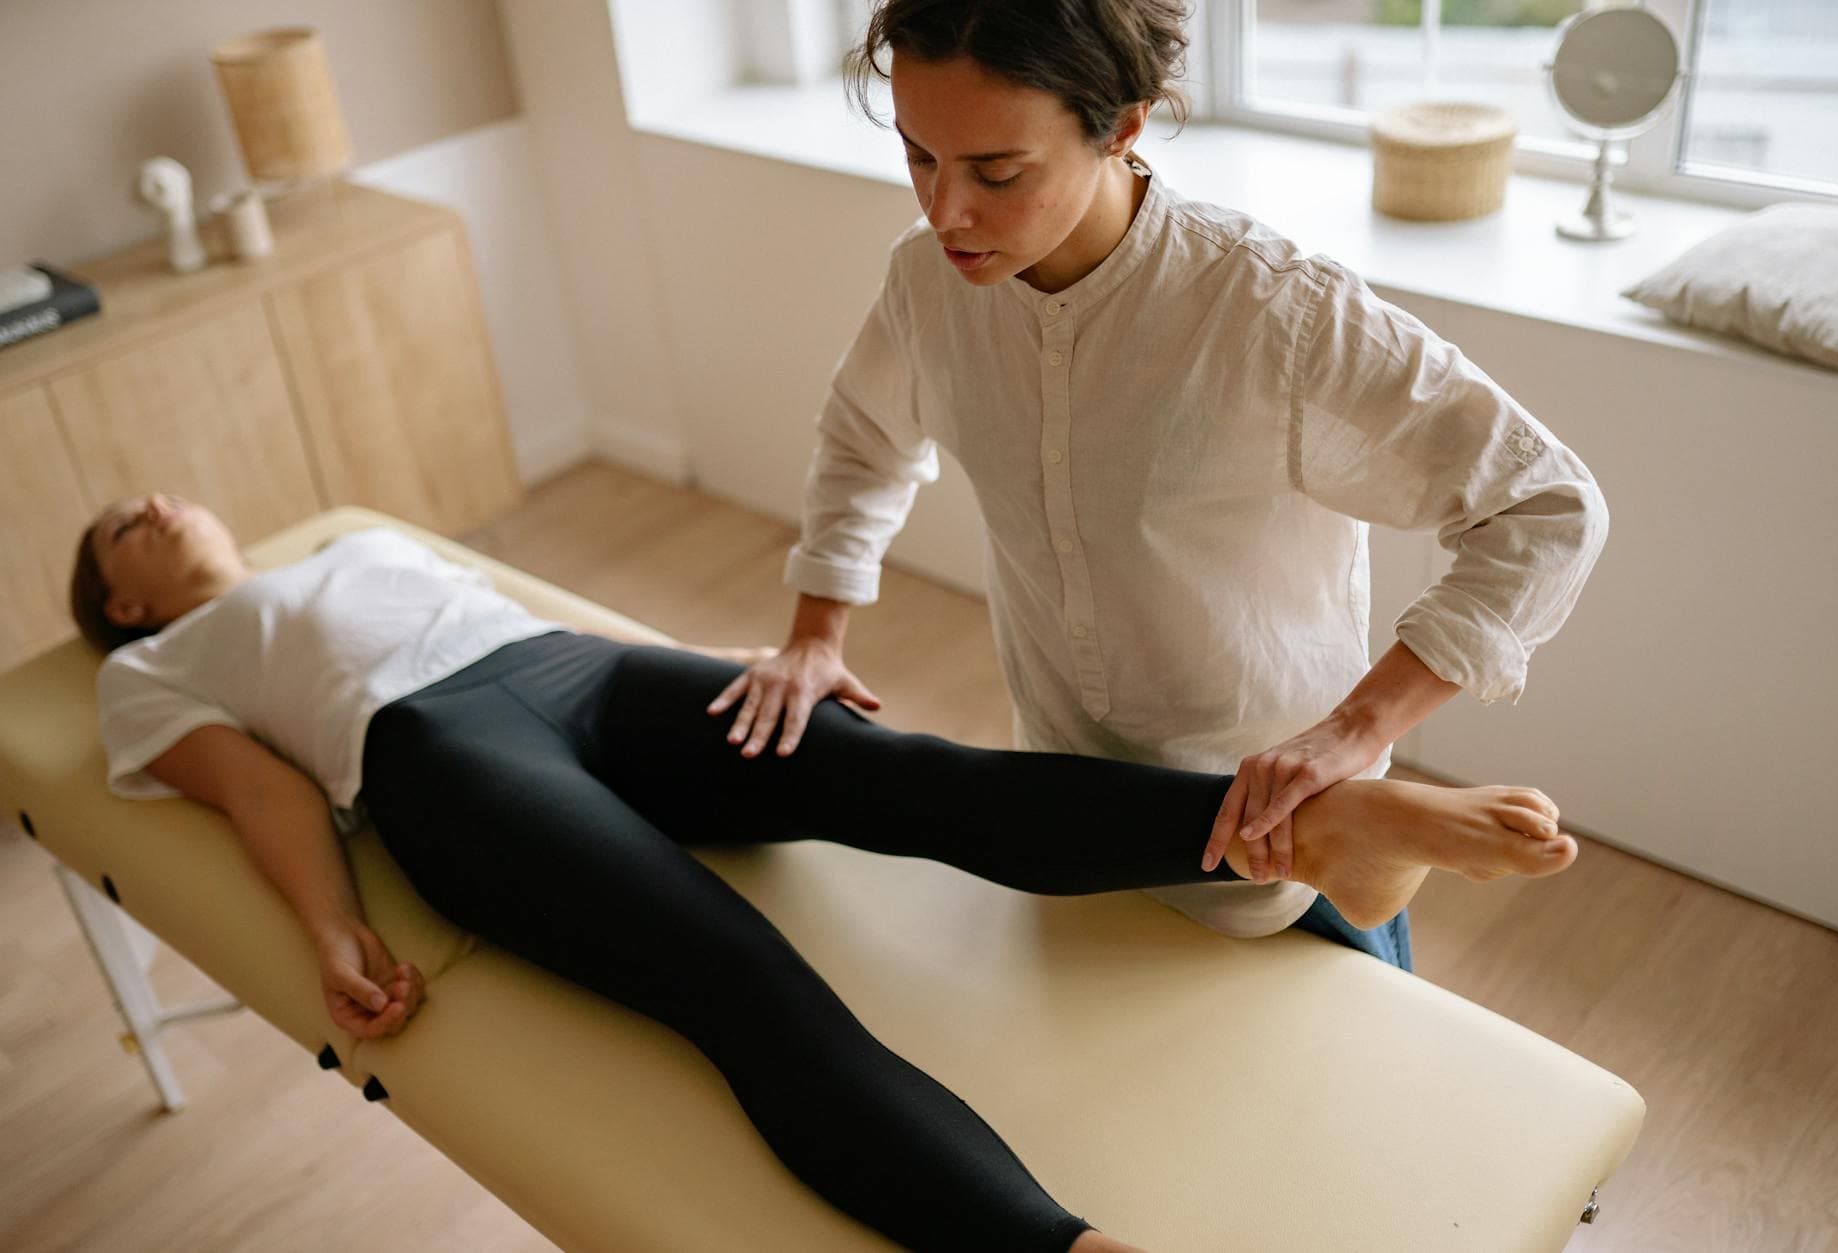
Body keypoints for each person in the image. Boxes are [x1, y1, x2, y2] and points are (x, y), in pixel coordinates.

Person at [75, 492, 1575, 1253]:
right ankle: (1064, 1252)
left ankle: (1304, 827)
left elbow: (509, 607)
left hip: (589, 674)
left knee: (916, 776)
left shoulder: (355, 538)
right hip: (443, 761)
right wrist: (330, 926)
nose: (161, 501)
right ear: (125, 602)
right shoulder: (153, 673)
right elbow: (261, 789)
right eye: (126, 525)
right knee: (734, 978)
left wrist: (755, 662)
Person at [711, 0, 1609, 967]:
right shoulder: (925, 283)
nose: (945, 212)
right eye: (919, 155)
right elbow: (863, 436)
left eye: (997, 172)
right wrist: (814, 634)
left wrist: (1356, 727)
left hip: (1286, 829)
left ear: (1123, 125)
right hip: (1066, 805)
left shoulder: (1273, 311)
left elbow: (1546, 505)